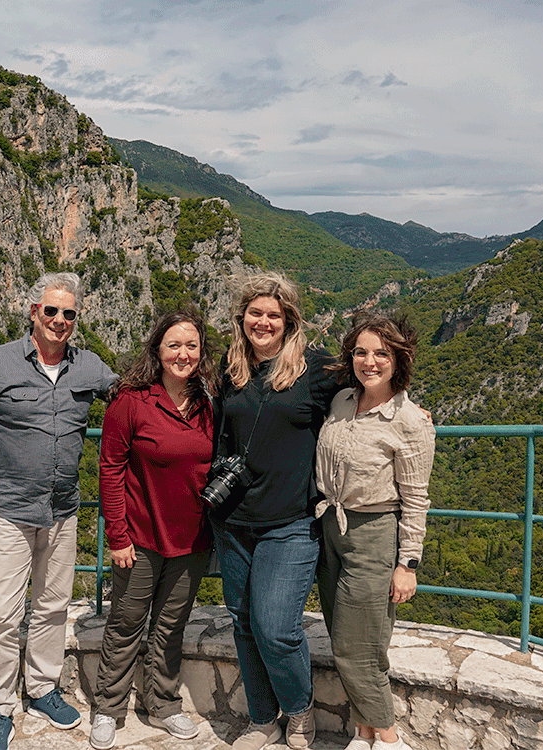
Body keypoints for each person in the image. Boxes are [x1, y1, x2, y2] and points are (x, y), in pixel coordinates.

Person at [0, 272, 118, 750]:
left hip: (64, 511)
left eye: (68, 313)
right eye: (51, 311)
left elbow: (132, 393)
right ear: (33, 313)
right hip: (4, 512)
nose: (60, 320)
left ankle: (43, 688)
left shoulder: (88, 367)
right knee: (3, 613)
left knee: (52, 606)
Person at [210, 272, 341, 750]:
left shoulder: (317, 370)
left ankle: (299, 711)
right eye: (255, 313)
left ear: (289, 320)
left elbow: (373, 386)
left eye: (273, 314)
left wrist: (409, 410)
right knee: (243, 623)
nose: (263, 322)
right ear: (242, 318)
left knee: (276, 626)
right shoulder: (231, 371)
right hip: (233, 521)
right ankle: (263, 720)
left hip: (290, 522)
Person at [89, 308, 216, 750]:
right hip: (141, 537)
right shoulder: (132, 401)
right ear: (158, 350)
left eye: (191, 345)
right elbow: (110, 469)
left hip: (193, 538)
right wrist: (118, 537)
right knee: (126, 622)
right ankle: (108, 708)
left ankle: (162, 704)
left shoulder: (210, 402)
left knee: (171, 624)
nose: (183, 354)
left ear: (201, 351)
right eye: (174, 345)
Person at [315, 313, 435, 750]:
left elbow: (416, 499)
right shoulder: (342, 399)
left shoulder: (410, 421)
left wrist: (407, 564)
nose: (370, 362)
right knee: (345, 635)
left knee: (356, 647)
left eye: (381, 353)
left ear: (398, 359)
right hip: (329, 528)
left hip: (373, 534)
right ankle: (363, 733)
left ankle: (387, 737)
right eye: (361, 352)